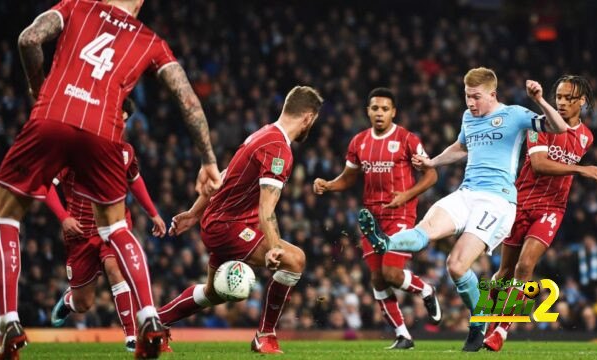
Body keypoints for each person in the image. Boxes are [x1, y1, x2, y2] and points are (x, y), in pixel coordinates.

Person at [0, 1, 220, 358]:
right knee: (117, 228)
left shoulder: (76, 6)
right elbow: (186, 98)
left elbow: (28, 39)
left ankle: (8, 322)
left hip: (54, 112)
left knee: (4, 214)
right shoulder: (151, 40)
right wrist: (208, 159)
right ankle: (149, 318)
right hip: (104, 131)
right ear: (140, 3)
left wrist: (39, 88)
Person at [358, 67, 571, 351]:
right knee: (424, 230)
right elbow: (460, 147)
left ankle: (478, 321)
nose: (471, 103)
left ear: (492, 94)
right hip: (466, 193)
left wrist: (541, 100)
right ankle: (386, 242)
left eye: (476, 97)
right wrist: (432, 162)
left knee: (456, 266)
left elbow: (560, 128)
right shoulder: (469, 117)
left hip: (498, 200)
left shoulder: (515, 114)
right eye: (467, 96)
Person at [156, 86, 323, 354]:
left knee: (214, 293)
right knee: (295, 260)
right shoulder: (278, 149)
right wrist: (274, 247)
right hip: (228, 226)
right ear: (308, 118)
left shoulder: (263, 134)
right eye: (313, 121)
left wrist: (193, 213)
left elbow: (223, 176)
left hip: (221, 221)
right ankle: (265, 335)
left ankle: (156, 323)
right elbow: (266, 207)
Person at [483, 75, 597, 351]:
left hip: (552, 208)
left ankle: (501, 331)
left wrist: (579, 170)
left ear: (582, 102)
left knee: (525, 267)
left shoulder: (586, 137)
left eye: (568, 98)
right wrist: (580, 169)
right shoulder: (537, 124)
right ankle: (486, 320)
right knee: (504, 272)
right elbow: (539, 164)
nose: (561, 103)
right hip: (521, 202)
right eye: (559, 97)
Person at [313, 88, 440, 350]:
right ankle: (403, 335)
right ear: (368, 111)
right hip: (372, 218)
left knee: (391, 273)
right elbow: (348, 179)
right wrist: (327, 185)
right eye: (375, 108)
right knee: (377, 279)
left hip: (401, 214)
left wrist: (406, 195)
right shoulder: (358, 142)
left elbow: (431, 175)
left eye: (384, 109)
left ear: (393, 112)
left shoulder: (407, 139)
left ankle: (426, 290)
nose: (379, 113)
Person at [45, 100, 167, 353]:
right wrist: (63, 218)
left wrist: (154, 213)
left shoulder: (125, 151)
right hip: (80, 233)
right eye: (115, 117)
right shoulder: (76, 149)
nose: (119, 124)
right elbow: (45, 185)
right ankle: (69, 301)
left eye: (123, 119)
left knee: (115, 268)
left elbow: (135, 181)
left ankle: (131, 338)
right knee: (84, 303)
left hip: (114, 225)